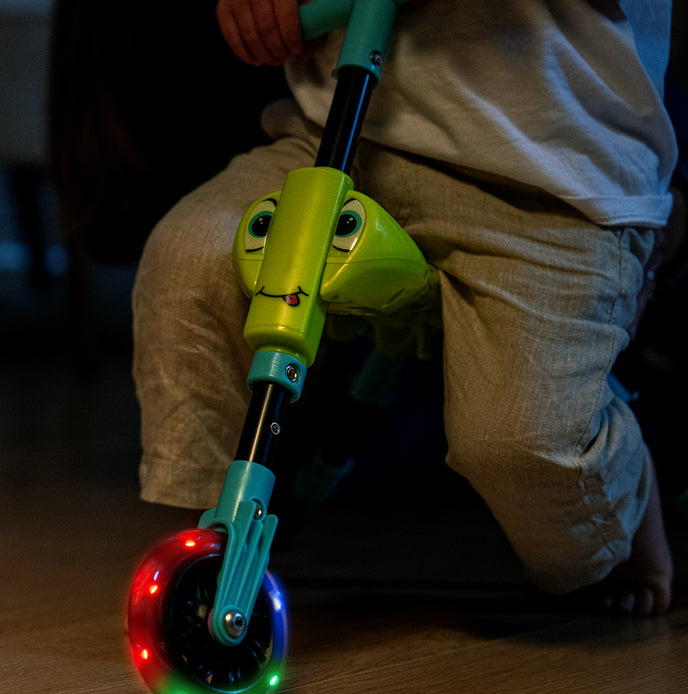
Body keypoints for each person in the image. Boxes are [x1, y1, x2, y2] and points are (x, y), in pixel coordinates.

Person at [132, 0, 677, 615]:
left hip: (550, 172)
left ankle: (622, 494)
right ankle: (205, 549)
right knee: (191, 261)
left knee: (520, 450)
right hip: (339, 135)